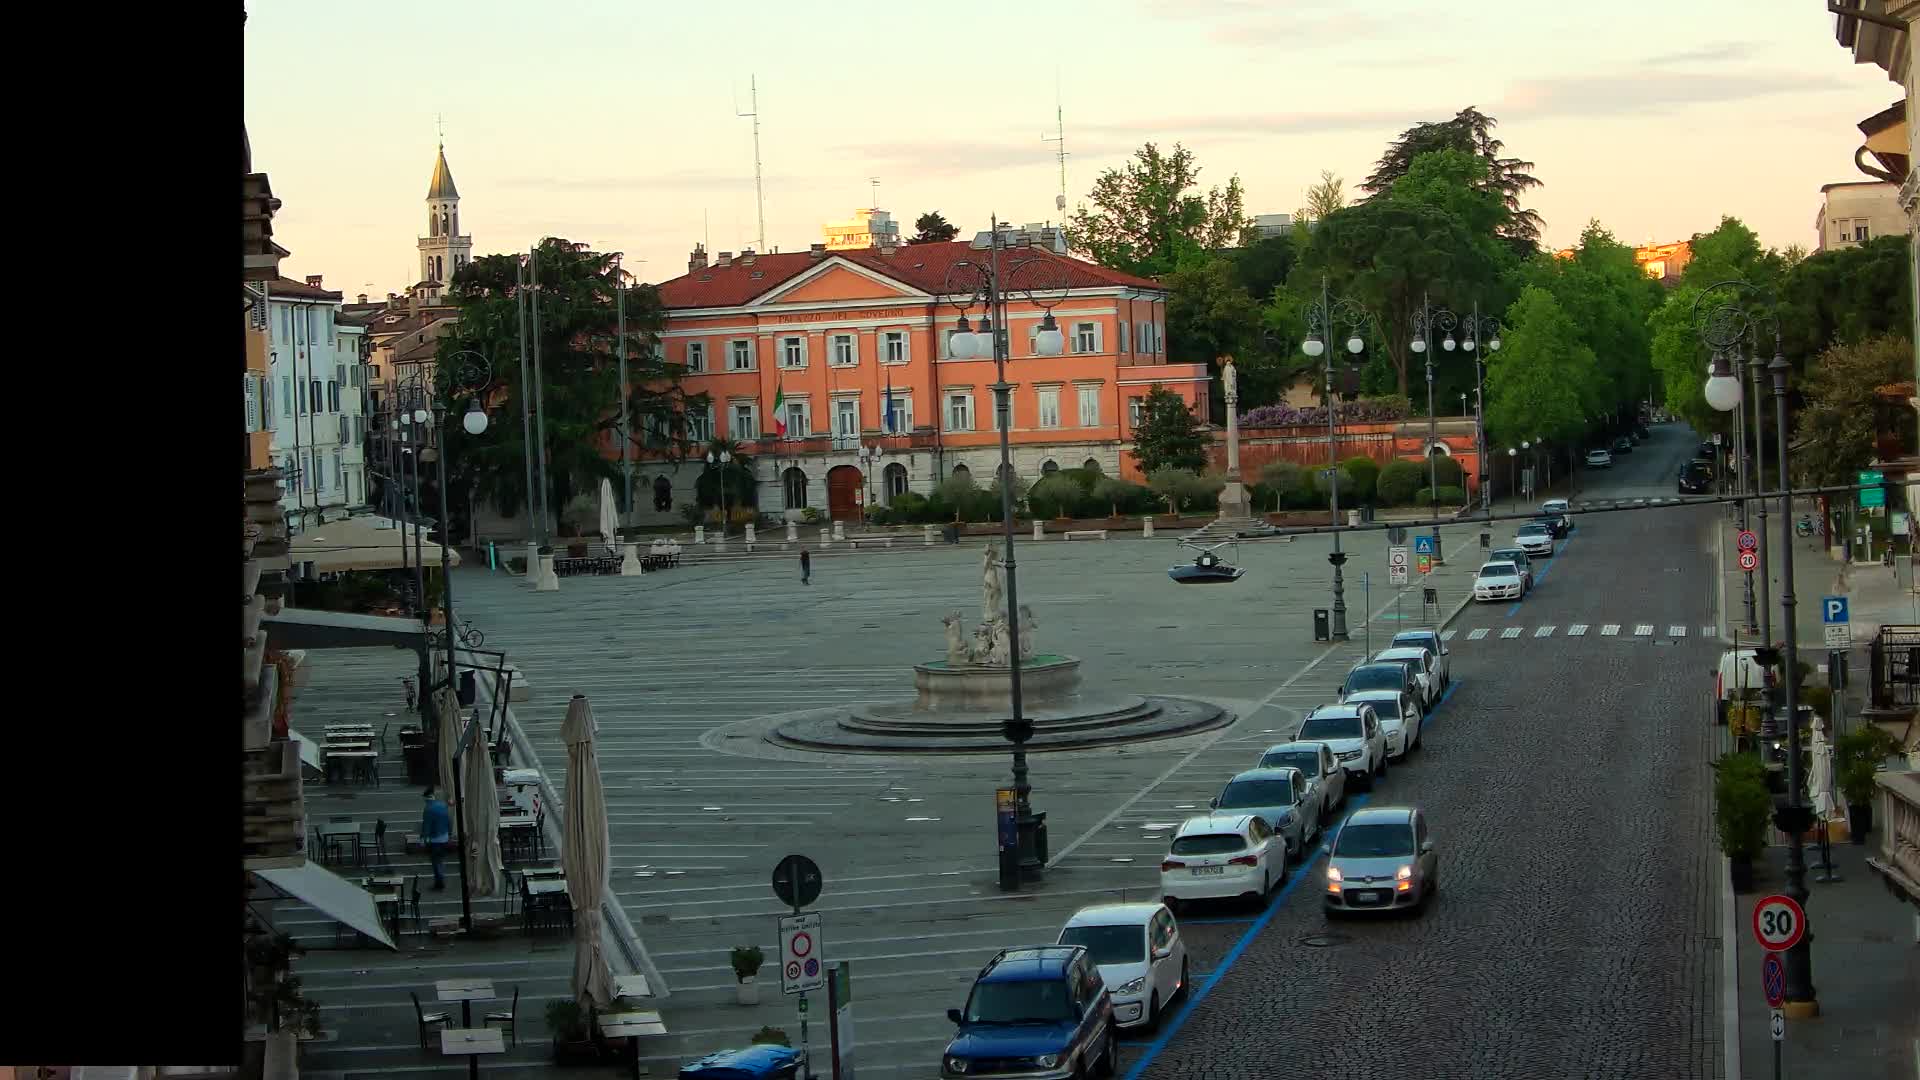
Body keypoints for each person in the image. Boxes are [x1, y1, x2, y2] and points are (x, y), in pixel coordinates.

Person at [421, 787, 453, 890]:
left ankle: (439, 882)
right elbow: (449, 821)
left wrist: (423, 839)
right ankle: (441, 879)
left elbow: (426, 826)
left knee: (436, 862)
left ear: (426, 798)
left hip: (434, 840)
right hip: (445, 837)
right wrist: (449, 834)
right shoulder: (442, 805)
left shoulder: (428, 809)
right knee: (441, 860)